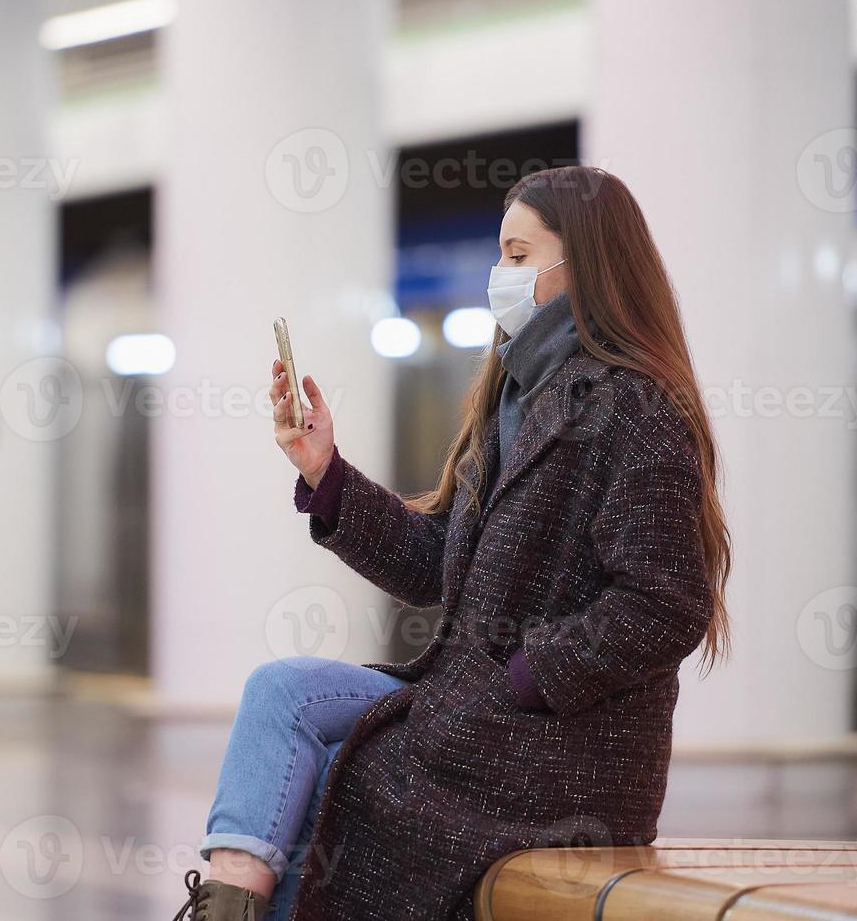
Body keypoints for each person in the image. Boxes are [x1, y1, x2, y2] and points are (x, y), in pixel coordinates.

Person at [177, 166, 733, 921]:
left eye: (517, 254)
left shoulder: (635, 405)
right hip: (474, 705)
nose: (498, 274)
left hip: (557, 743)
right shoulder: (512, 393)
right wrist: (327, 475)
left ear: (586, 264)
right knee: (281, 692)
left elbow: (666, 603)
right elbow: (433, 560)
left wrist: (530, 674)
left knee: (343, 779)